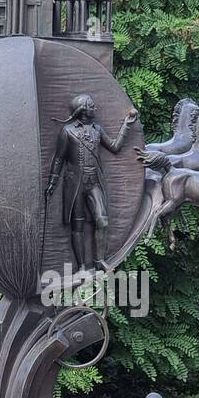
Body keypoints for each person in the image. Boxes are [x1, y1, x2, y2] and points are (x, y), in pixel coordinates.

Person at [45, 93, 137, 272]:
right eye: (91, 106)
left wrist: (127, 124)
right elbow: (58, 159)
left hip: (94, 181)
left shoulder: (97, 129)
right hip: (75, 184)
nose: (95, 108)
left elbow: (115, 147)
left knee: (102, 220)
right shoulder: (68, 131)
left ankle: (99, 260)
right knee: (77, 225)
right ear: (82, 110)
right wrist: (52, 182)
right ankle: (81, 266)